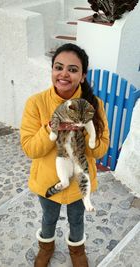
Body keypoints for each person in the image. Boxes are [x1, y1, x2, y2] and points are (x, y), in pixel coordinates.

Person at [20, 43, 109, 267]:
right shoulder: (36, 103)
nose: (64, 74)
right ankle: (45, 247)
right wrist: (51, 127)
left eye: (73, 69)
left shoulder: (93, 105)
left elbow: (100, 149)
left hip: (79, 181)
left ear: (82, 75)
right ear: (52, 70)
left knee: (77, 219)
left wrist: (84, 131)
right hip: (49, 180)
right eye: (58, 67)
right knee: (48, 218)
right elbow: (30, 149)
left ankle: (77, 251)